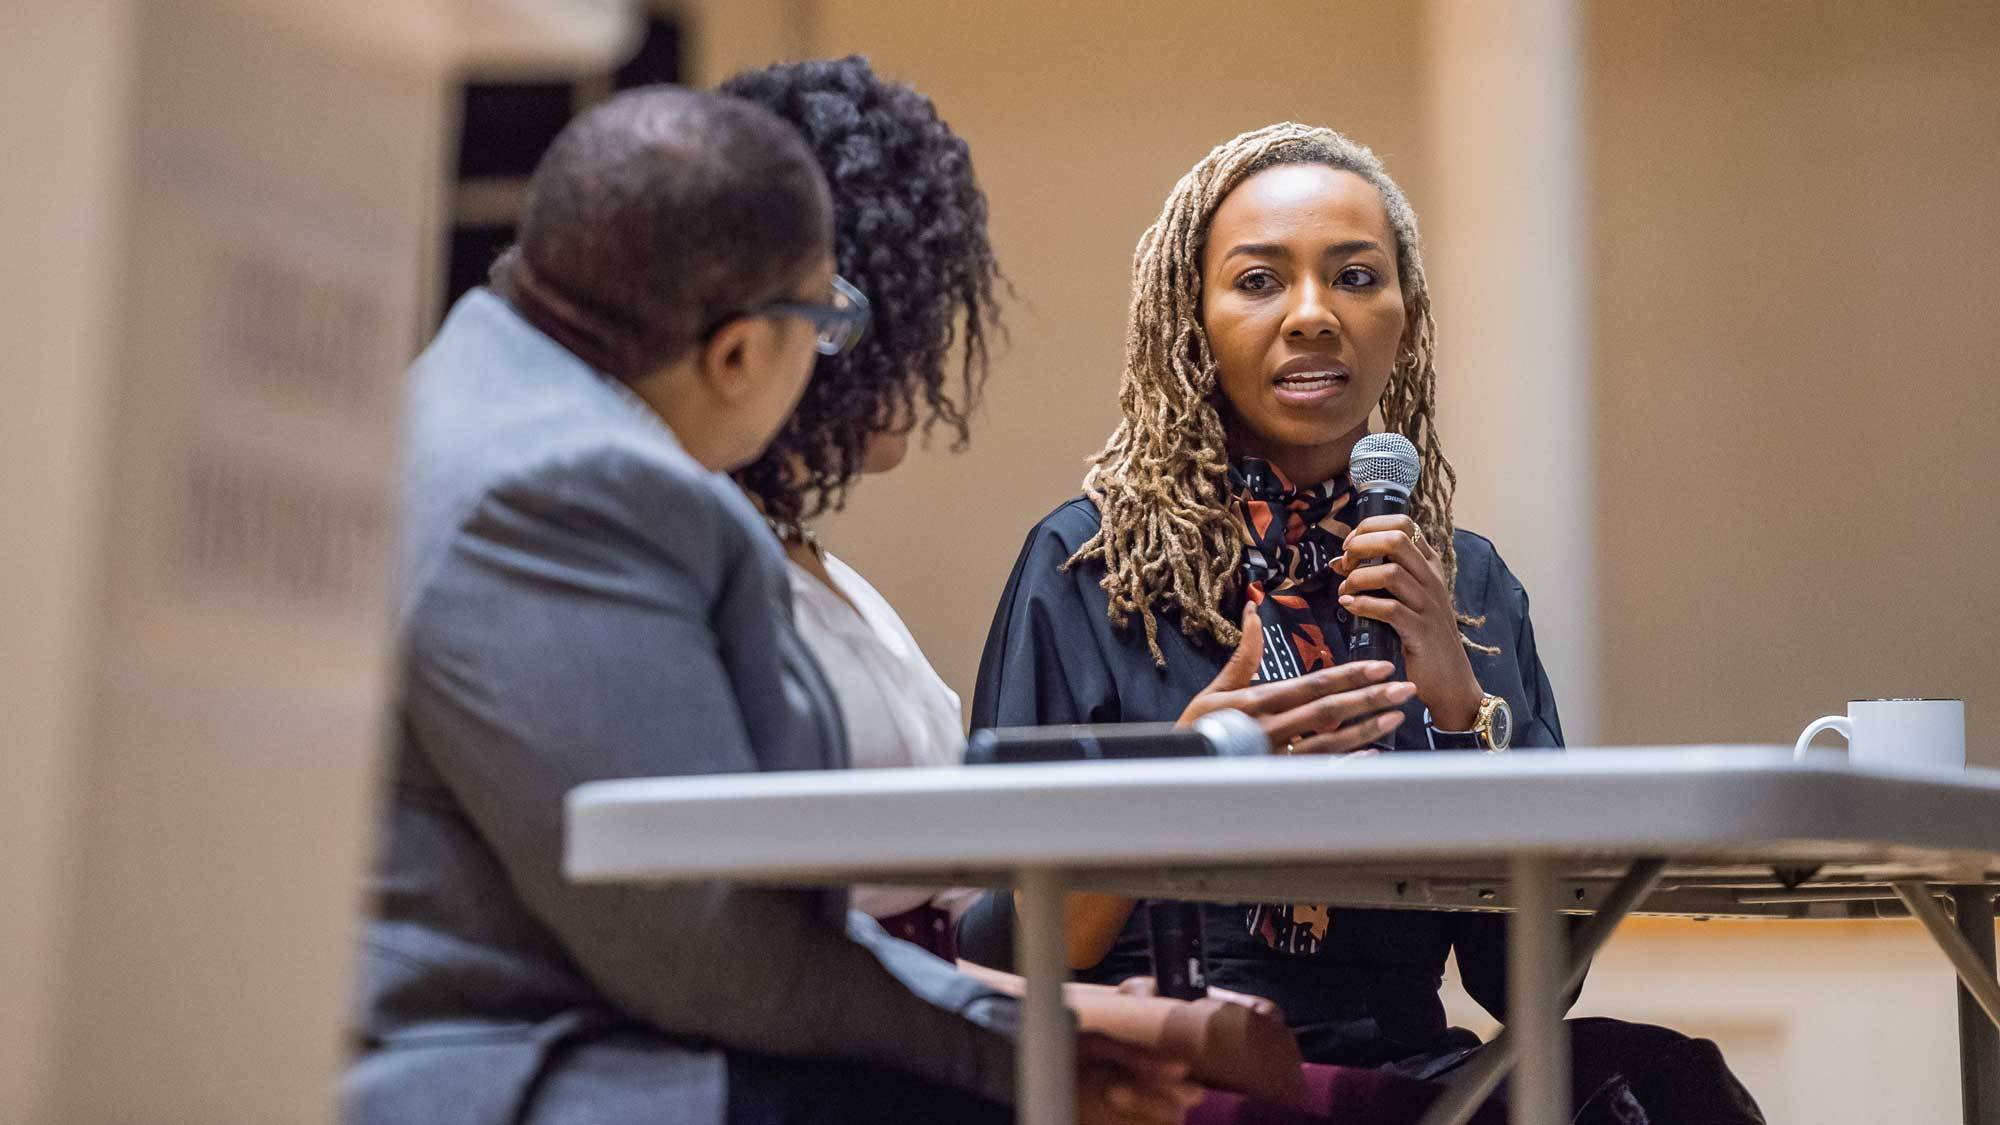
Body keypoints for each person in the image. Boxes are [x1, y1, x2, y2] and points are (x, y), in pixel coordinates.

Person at [343, 86, 1196, 1125]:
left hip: (612, 1016)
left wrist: (1029, 1033)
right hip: (513, 1062)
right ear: (740, 351)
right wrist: (1018, 1058)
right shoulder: (570, 486)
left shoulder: (470, 389)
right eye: (827, 318)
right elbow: (705, 950)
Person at [970, 123, 1765, 1123]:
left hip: (1402, 1065)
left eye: (1353, 277)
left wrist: (1464, 719)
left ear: (1403, 317)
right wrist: (1186, 776)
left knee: (1657, 1087)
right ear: (1192, 319)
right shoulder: (1088, 568)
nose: (1311, 315)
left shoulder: (1465, 585)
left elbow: (1532, 986)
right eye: (1259, 281)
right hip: (1167, 1063)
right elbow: (995, 950)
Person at [718, 56, 1004, 956]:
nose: (921, 362)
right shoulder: (702, 567)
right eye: (902, 322)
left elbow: (966, 902)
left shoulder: (835, 578)